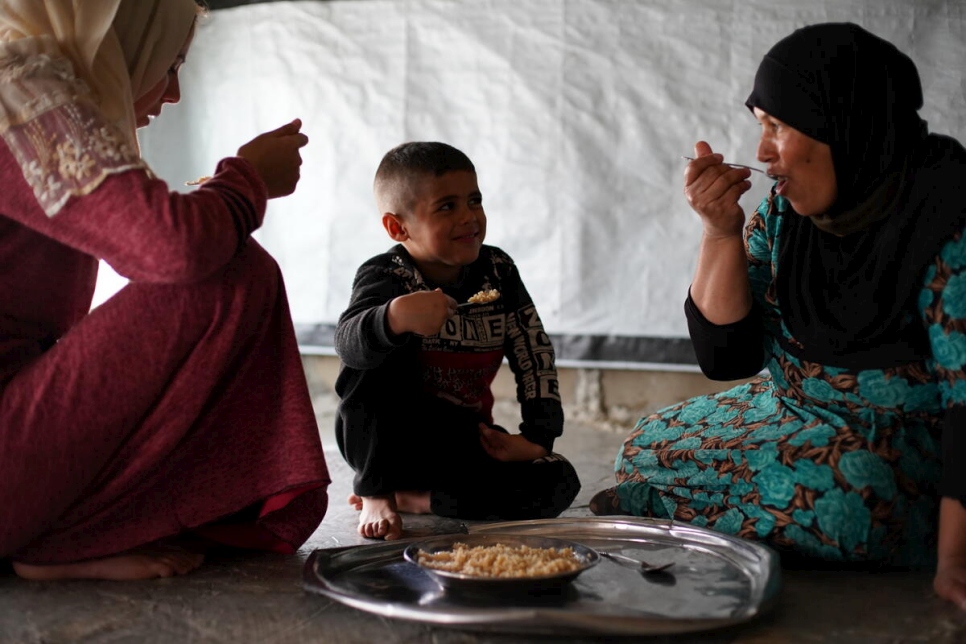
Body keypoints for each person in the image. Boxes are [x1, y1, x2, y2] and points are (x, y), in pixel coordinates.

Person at [591, 22, 966, 607]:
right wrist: (720, 231)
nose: (762, 153)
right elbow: (727, 357)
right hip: (788, 411)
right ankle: (778, 522)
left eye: (778, 128)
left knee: (853, 497)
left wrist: (955, 561)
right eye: (759, 127)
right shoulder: (790, 215)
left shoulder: (946, 221)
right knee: (645, 444)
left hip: (899, 442)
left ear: (843, 123)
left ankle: (710, 515)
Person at [0, 0, 330, 581]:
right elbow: (171, 249)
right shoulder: (18, 89)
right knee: (229, 270)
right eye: (171, 62)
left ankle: (53, 534)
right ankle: (54, 539)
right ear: (120, 39)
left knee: (222, 257)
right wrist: (245, 180)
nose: (173, 92)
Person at [334, 141, 581, 540]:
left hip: (464, 440)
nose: (469, 217)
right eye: (447, 206)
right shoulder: (386, 276)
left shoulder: (497, 271)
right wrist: (393, 318)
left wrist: (537, 438)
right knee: (373, 353)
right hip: (388, 447)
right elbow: (347, 345)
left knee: (558, 480)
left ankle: (418, 499)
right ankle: (378, 492)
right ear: (399, 228)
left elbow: (533, 350)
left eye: (474, 200)